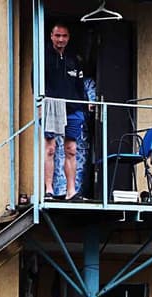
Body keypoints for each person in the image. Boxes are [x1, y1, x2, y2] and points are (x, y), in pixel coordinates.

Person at [43, 23, 94, 201]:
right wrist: (41, 105)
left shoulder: (74, 59)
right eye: (57, 35)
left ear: (68, 37)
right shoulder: (44, 57)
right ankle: (49, 190)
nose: (61, 39)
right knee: (50, 149)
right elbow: (37, 81)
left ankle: (71, 191)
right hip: (52, 105)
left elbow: (80, 86)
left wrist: (85, 103)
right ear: (51, 36)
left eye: (64, 36)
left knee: (71, 149)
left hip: (73, 108)